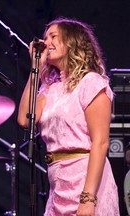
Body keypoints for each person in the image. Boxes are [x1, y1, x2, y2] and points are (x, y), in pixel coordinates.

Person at [18, 17, 119, 215]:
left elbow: (100, 143)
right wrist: (35, 67)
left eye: (53, 36)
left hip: (86, 181)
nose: (46, 42)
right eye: (46, 37)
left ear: (72, 42)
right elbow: (25, 119)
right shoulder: (50, 89)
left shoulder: (91, 82)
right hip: (58, 186)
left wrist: (88, 198)